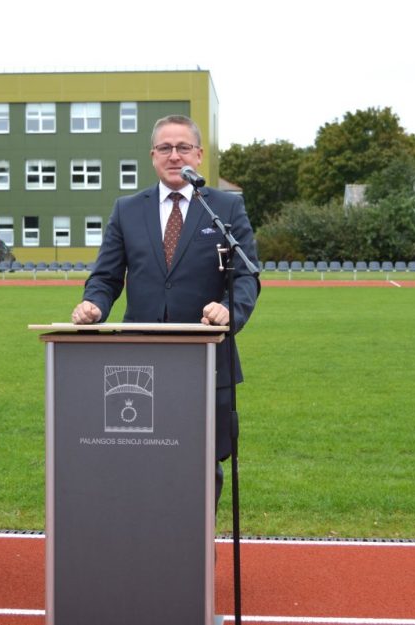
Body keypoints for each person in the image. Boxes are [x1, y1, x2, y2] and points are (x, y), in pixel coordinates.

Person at [71, 114, 260, 507]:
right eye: (165, 148)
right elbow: (106, 277)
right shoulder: (127, 209)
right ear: (153, 156)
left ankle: (196, 557)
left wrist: (229, 310)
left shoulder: (225, 207)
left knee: (205, 462)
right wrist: (94, 305)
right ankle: (146, 550)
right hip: (140, 361)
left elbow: (246, 276)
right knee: (140, 459)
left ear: (199, 155)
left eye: (183, 148)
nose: (174, 156)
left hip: (206, 359)